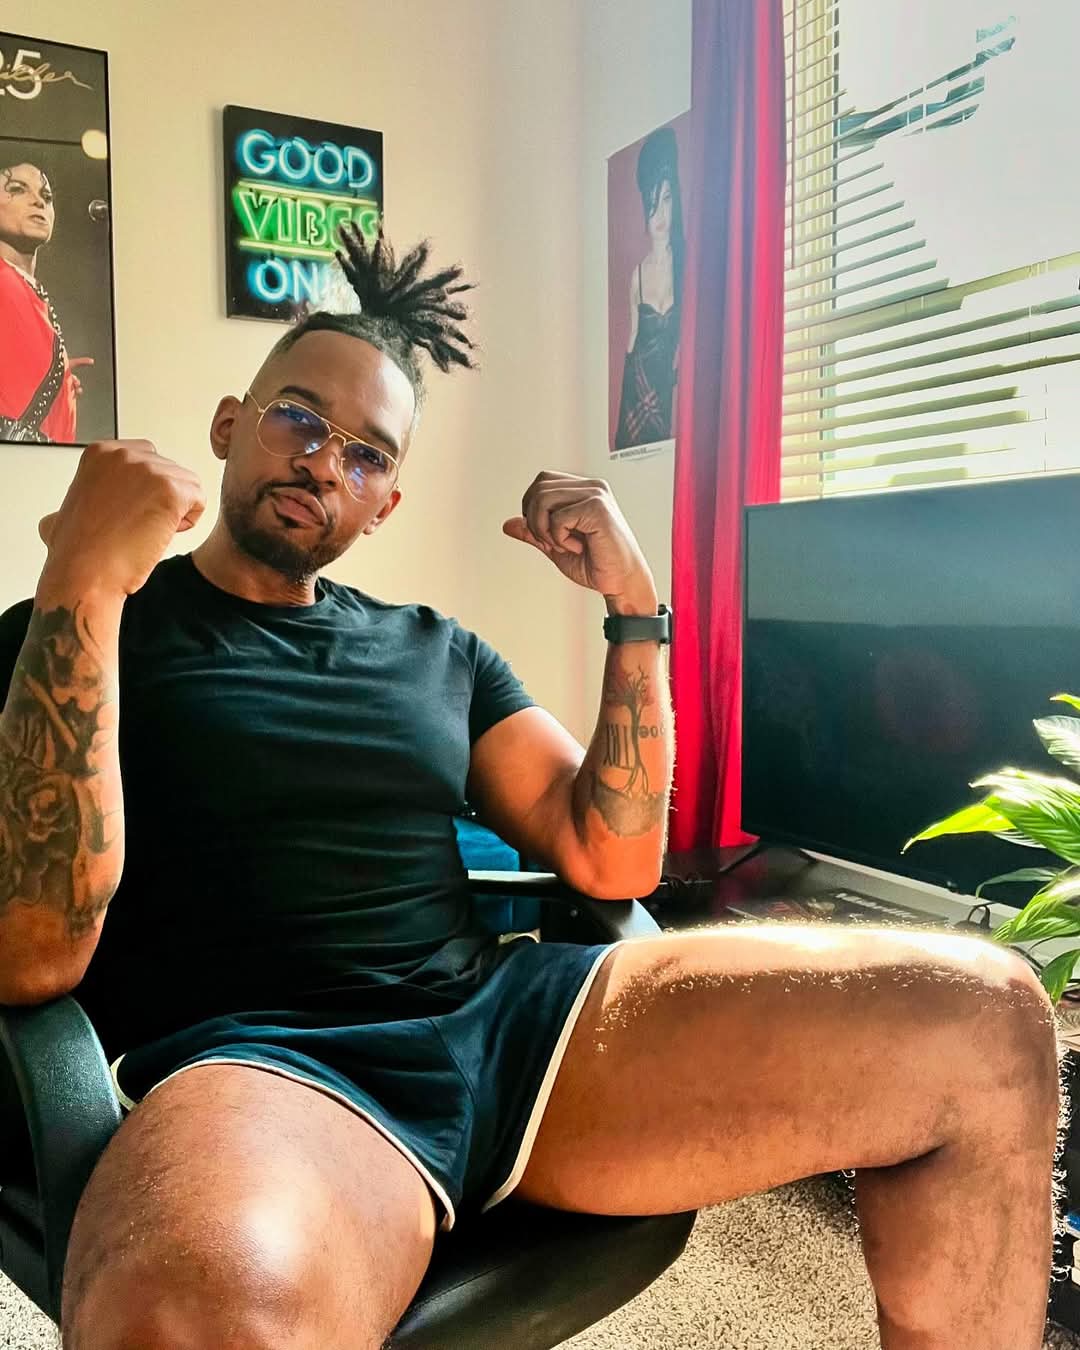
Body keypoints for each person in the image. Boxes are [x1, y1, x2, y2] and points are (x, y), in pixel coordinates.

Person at [0, 225, 1062, 1350]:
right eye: (298, 419)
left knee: (987, 1022)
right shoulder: (77, 631)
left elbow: (613, 858)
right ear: (229, 425)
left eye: (367, 455)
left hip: (512, 1029)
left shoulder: (437, 650)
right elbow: (30, 950)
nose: (323, 464)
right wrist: (82, 577)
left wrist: (634, 609)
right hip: (270, 1068)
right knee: (192, 1317)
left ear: (386, 504)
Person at [0, 152, 92, 444]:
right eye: (18, 190)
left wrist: (56, 379)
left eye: (46, 197)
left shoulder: (31, 292)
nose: (38, 202)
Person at [614, 125, 684, 450]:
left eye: (666, 199)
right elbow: (632, 340)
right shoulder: (638, 275)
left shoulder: (684, 265)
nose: (660, 214)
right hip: (637, 387)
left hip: (663, 388)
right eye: (652, 202)